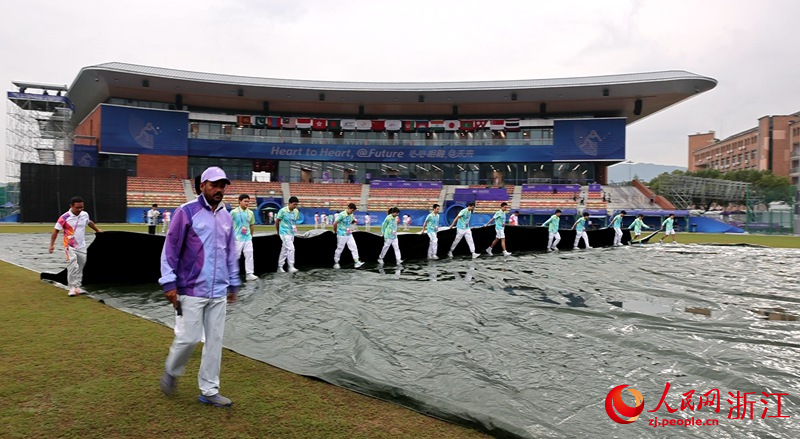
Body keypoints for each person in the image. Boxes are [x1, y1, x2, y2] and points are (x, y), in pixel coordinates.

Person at [158, 166, 240, 407]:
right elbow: (170, 250)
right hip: (190, 289)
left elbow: (230, 254)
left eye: (222, 185)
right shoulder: (186, 212)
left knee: (215, 342)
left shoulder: (227, 216)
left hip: (218, 292)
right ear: (202, 185)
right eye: (214, 184)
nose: (219, 189)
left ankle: (209, 390)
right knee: (189, 338)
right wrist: (169, 282)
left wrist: (233, 282)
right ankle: (172, 371)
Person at [48, 196, 103, 296]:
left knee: (81, 266)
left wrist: (97, 230)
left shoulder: (84, 214)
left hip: (81, 246)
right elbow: (56, 230)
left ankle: (78, 287)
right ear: (71, 206)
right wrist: (52, 245)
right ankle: (72, 288)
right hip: (69, 245)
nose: (80, 209)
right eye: (77, 207)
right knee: (73, 264)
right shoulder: (64, 217)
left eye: (81, 207)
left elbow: (89, 222)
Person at [231, 194, 258, 281]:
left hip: (247, 238)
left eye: (248, 201)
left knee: (249, 255)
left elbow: (252, 225)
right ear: (240, 201)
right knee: (236, 256)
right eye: (245, 201)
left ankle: (249, 273)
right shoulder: (234, 212)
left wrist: (251, 236)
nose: (247, 203)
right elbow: (228, 225)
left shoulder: (250, 213)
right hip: (237, 238)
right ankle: (231, 274)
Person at [332, 203, 364, 269]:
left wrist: (354, 222)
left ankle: (356, 262)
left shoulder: (351, 215)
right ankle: (336, 262)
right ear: (348, 208)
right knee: (340, 248)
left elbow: (351, 221)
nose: (352, 212)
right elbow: (335, 223)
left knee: (354, 247)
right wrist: (335, 231)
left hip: (349, 234)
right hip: (342, 234)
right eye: (352, 210)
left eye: (353, 211)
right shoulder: (342, 215)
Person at [275, 196, 300, 273]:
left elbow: (294, 222)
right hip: (284, 233)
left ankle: (280, 266)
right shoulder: (282, 211)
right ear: (289, 203)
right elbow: (277, 221)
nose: (295, 206)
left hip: (291, 233)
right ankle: (291, 266)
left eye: (296, 205)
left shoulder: (296, 211)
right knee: (291, 248)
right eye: (294, 204)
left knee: (284, 250)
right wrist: (278, 231)